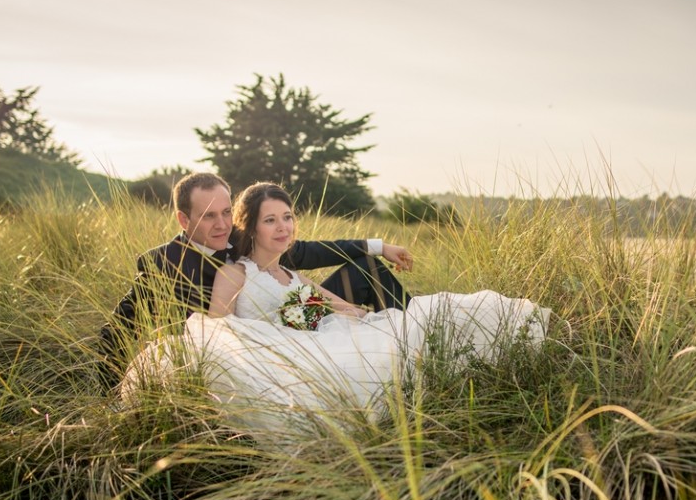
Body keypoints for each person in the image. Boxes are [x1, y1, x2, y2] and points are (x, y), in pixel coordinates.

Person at [122, 182, 550, 436]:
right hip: (286, 349)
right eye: (270, 220)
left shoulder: (287, 269)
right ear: (250, 225)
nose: (283, 227)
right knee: (375, 357)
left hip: (311, 331)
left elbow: (333, 305)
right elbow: (218, 330)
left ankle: (452, 347)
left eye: (287, 217)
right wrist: (293, 325)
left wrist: (369, 316)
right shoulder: (234, 272)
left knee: (409, 324)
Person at [99, 172, 411, 390]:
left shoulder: (246, 233)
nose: (222, 225)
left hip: (294, 316)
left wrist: (380, 247)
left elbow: (307, 250)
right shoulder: (162, 263)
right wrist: (109, 394)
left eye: (225, 212)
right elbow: (117, 330)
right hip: (248, 355)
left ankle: (415, 344)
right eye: (208, 216)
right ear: (184, 219)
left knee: (368, 268)